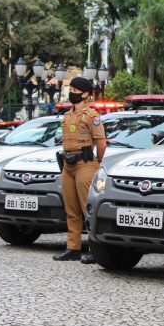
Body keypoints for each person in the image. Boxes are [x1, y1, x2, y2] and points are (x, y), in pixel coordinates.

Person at [54, 77, 106, 264]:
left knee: (87, 210)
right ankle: (73, 248)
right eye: (71, 88)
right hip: (68, 165)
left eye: (75, 89)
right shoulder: (68, 115)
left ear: (85, 94)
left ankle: (94, 249)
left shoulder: (92, 115)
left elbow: (101, 142)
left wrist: (97, 161)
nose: (72, 92)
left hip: (85, 164)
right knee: (71, 209)